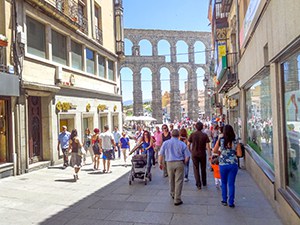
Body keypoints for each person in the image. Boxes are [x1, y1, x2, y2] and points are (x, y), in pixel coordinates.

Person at [158, 129, 190, 206]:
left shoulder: (166, 143)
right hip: (179, 162)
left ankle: (172, 193)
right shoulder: (182, 144)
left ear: (171, 135)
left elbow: (161, 154)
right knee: (178, 181)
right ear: (178, 135)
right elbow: (187, 156)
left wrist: (160, 163)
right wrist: (184, 163)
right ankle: (177, 199)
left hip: (169, 163)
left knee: (171, 179)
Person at [213, 124, 239, 208]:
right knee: (231, 183)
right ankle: (231, 202)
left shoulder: (221, 140)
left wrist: (222, 153)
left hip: (223, 164)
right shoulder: (235, 141)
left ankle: (224, 200)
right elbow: (239, 154)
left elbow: (215, 150)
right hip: (233, 164)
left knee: (223, 182)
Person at [188, 121, 211, 189]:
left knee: (196, 168)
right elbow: (207, 146)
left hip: (194, 153)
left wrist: (190, 151)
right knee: (203, 168)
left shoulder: (192, 134)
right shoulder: (204, 135)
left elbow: (188, 144)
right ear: (202, 127)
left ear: (195, 127)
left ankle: (198, 184)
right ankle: (204, 182)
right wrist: (210, 155)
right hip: (202, 153)